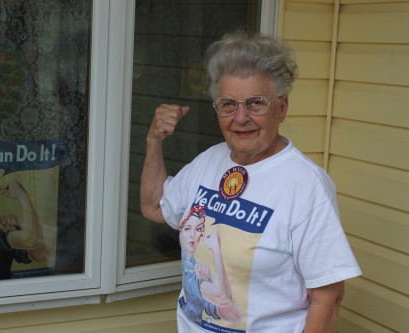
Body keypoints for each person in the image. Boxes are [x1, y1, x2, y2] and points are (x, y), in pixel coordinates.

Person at [141, 30, 362, 333]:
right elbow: (155, 207)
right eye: (228, 104)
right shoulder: (209, 161)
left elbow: (328, 297)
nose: (241, 117)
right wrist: (154, 141)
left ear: (281, 108)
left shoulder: (305, 185)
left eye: (256, 103)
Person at [179, 206, 242, 327]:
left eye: (198, 229)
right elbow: (222, 296)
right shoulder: (191, 270)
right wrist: (216, 249)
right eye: (187, 229)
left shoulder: (196, 264)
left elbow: (221, 304)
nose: (192, 234)